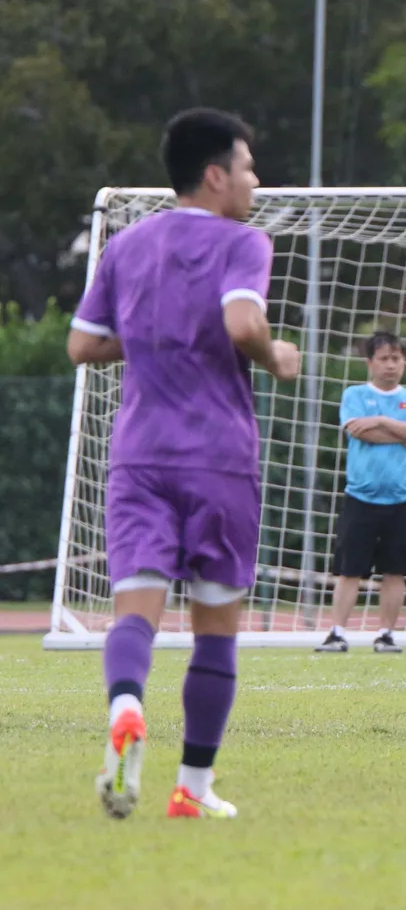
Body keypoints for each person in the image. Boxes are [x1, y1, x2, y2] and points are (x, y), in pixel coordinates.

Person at [67, 108, 300, 820]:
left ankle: (127, 703)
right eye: (248, 167)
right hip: (218, 458)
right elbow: (241, 323)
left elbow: (82, 344)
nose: (256, 181)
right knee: (216, 628)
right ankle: (192, 788)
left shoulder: (127, 244)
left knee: (134, 608)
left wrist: (153, 342)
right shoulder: (242, 242)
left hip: (139, 455)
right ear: (215, 174)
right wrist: (274, 355)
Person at [315, 332, 406, 654]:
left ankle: (386, 634)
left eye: (396, 358)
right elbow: (356, 431)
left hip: (405, 498)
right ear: (370, 363)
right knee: (349, 568)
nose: (391, 365)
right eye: (384, 358)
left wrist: (380, 421)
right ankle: (337, 632)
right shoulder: (354, 395)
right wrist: (404, 434)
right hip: (361, 496)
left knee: (395, 570)